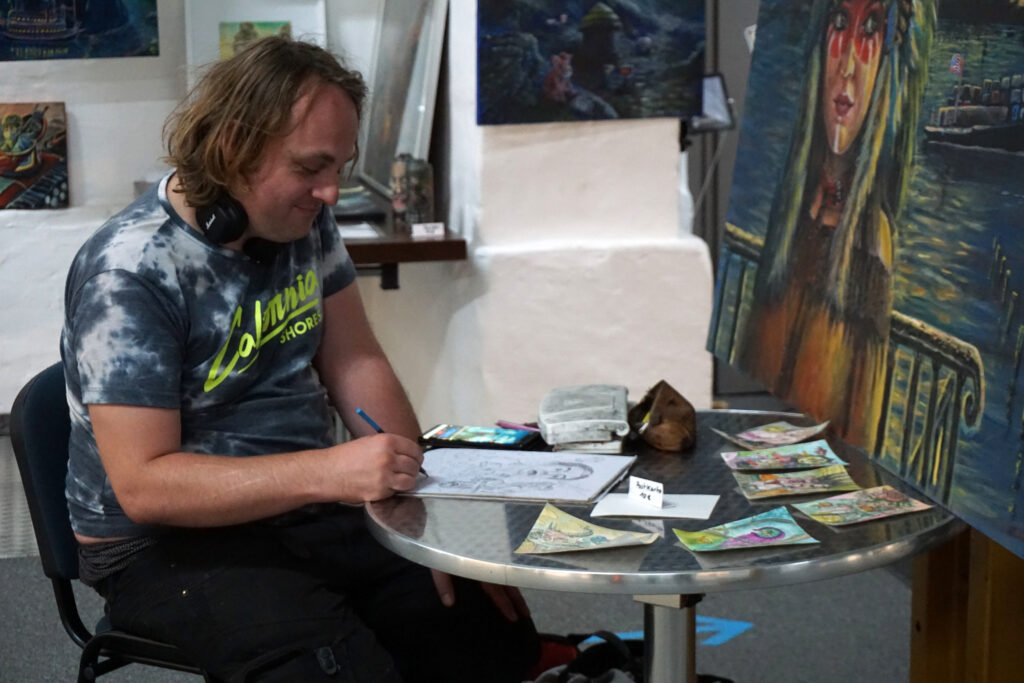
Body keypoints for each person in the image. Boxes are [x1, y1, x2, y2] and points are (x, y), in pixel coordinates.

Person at [60, 36, 539, 682]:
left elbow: (357, 361)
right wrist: (329, 472)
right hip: (161, 545)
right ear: (233, 147)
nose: (330, 192)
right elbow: (145, 487)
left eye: (339, 166)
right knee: (337, 668)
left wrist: (426, 511)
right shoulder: (129, 272)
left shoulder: (298, 222)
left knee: (490, 632)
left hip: (301, 509)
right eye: (312, 167)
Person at [740, 0, 933, 452]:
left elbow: (853, 434)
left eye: (870, 30)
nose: (847, 65)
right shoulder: (793, 207)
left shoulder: (869, 243)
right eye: (840, 23)